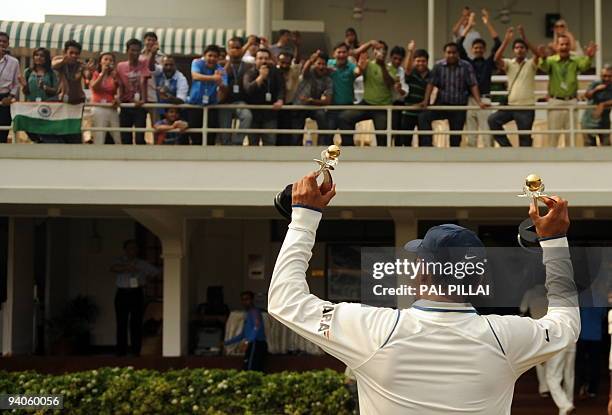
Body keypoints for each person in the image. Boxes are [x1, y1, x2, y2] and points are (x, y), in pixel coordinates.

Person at [269, 172, 578, 414]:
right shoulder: (506, 337)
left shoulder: (373, 330)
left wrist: (304, 217)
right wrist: (554, 241)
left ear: (423, 272)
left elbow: (285, 301)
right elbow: (566, 323)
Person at [418, 42, 486, 147]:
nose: (451, 55)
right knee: (424, 116)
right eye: (449, 52)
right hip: (442, 104)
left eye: (454, 52)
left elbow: (473, 84)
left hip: (458, 106)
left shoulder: (466, 66)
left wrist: (479, 102)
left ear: (458, 53)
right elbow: (430, 84)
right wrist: (426, 100)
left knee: (455, 137)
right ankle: (427, 146)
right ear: (444, 53)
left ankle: (453, 157)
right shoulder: (438, 66)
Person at [539, 35, 597, 147]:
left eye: (567, 44)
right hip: (555, 102)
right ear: (556, 46)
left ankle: (572, 163)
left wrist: (590, 57)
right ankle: (551, 162)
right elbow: (544, 67)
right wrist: (543, 58)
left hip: (571, 101)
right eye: (562, 44)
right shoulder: (551, 61)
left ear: (570, 46)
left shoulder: (575, 61)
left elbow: (584, 66)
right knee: (553, 136)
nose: (564, 47)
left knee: (572, 136)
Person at [489, 26, 541, 147]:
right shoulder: (509, 63)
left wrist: (525, 38)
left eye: (522, 48)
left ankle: (526, 163)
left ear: (526, 50)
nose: (519, 50)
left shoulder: (531, 64)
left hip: (526, 107)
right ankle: (507, 148)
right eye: (517, 48)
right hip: (510, 106)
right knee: (492, 120)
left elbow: (538, 55)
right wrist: (506, 40)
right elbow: (496, 58)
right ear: (513, 50)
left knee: (525, 138)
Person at [338, 40, 396, 146]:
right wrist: (369, 44)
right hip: (367, 103)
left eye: (383, 50)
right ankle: (349, 148)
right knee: (344, 117)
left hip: (382, 107)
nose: (380, 52)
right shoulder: (368, 64)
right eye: (378, 49)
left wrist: (382, 66)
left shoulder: (390, 68)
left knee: (383, 136)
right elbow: (355, 54)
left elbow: (390, 83)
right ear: (374, 51)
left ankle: (382, 159)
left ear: (386, 53)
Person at [110, 239, 160, 356]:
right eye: (129, 248)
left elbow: (156, 272)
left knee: (136, 323)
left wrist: (147, 280)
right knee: (121, 322)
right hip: (122, 293)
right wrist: (127, 267)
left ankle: (135, 351)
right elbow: (113, 268)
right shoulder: (120, 261)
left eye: (134, 248)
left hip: (136, 293)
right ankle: (121, 352)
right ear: (125, 250)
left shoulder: (142, 263)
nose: (132, 250)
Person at [458, 9, 500, 147]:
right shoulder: (467, 63)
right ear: (471, 49)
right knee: (471, 136)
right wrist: (469, 26)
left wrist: (487, 23)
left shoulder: (489, 62)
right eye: (475, 48)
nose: (478, 50)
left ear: (484, 49)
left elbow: (498, 43)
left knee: (488, 135)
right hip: (470, 100)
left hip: (485, 99)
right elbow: (459, 45)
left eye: (481, 48)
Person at [17, 47, 59, 143]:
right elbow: (26, 92)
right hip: (31, 105)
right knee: (26, 124)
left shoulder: (51, 73)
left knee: (45, 129)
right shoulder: (28, 72)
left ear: (46, 58)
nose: (39, 57)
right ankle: (37, 141)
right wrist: (24, 85)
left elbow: (56, 91)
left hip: (47, 107)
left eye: (42, 56)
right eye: (36, 55)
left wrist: (44, 87)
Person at [243, 48, 284, 146]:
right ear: (255, 60)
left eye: (266, 58)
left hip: (270, 113)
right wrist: (261, 77)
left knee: (270, 141)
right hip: (254, 113)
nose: (263, 61)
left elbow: (281, 88)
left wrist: (280, 100)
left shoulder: (275, 72)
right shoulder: (249, 72)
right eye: (260, 58)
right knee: (253, 142)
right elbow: (248, 89)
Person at [188, 44, 227, 145]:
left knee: (211, 137)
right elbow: (195, 76)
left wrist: (221, 84)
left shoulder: (221, 70)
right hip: (195, 105)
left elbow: (224, 88)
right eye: (210, 55)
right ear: (204, 56)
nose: (212, 58)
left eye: (215, 56)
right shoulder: (196, 63)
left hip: (211, 106)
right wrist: (214, 78)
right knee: (195, 136)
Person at [291, 50, 333, 146]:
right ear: (314, 64)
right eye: (319, 63)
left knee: (322, 116)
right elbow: (305, 69)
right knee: (296, 132)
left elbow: (328, 100)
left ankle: (322, 147)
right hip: (300, 105)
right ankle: (295, 151)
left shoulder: (328, 79)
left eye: (323, 64)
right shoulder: (309, 72)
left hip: (314, 105)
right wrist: (310, 60)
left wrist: (312, 101)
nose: (321, 67)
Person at [219, 37, 253, 145]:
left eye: (238, 47)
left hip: (240, 102)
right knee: (224, 134)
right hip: (224, 103)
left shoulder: (249, 65)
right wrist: (228, 62)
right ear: (228, 49)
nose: (235, 50)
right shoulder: (221, 64)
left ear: (242, 49)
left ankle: (237, 143)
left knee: (247, 116)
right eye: (232, 47)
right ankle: (226, 148)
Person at [51, 40, 87, 144]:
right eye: (71, 53)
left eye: (76, 53)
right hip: (62, 99)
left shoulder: (80, 64)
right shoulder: (59, 60)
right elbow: (54, 65)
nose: (74, 56)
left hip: (77, 100)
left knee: (75, 128)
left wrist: (88, 70)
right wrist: (64, 61)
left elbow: (87, 75)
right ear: (65, 52)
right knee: (62, 126)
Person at [116, 38, 149, 145]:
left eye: (137, 51)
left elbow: (144, 81)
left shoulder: (143, 63)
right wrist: (118, 98)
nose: (135, 53)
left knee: (140, 137)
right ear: (127, 51)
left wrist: (143, 100)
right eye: (132, 50)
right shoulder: (120, 66)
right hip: (126, 104)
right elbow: (120, 85)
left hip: (139, 105)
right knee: (125, 137)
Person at [224, 290, 267, 371]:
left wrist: (248, 341)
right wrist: (227, 342)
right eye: (243, 300)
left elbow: (256, 325)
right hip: (252, 344)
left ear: (252, 300)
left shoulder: (254, 312)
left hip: (256, 344)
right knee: (248, 367)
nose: (245, 302)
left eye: (247, 299)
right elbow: (243, 334)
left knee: (251, 369)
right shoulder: (248, 314)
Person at [519, 283, 550, 397]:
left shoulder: (530, 293)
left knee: (539, 358)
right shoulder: (551, 292)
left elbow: (522, 309)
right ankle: (550, 384)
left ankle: (544, 387)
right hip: (550, 327)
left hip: (537, 328)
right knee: (552, 356)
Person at [327, 42, 360, 144]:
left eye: (344, 52)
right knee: (327, 137)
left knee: (348, 139)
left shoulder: (351, 66)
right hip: (331, 107)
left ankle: (349, 160)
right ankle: (326, 160)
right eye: (339, 52)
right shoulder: (328, 64)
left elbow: (358, 71)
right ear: (334, 54)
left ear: (347, 54)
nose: (341, 55)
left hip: (347, 108)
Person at [399, 41, 430, 147]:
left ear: (427, 61)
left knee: (424, 141)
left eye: (423, 61)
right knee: (406, 141)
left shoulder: (431, 75)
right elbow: (407, 69)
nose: (420, 63)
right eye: (418, 61)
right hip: (409, 112)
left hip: (423, 113)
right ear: (414, 61)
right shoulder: (411, 73)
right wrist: (410, 51)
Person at [90, 52, 120, 145]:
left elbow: (118, 89)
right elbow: (94, 87)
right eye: (105, 59)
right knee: (99, 135)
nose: (108, 62)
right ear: (100, 62)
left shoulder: (114, 76)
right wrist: (103, 73)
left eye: (110, 60)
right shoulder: (95, 74)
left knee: (117, 136)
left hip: (111, 108)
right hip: (99, 107)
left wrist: (117, 98)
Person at [576, 306, 606, 399]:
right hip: (596, 335)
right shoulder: (601, 298)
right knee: (595, 363)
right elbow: (603, 316)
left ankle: (582, 385)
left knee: (581, 362)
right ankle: (593, 389)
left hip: (583, 335)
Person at [581, 64, 612, 146]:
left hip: (604, 123)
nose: (607, 78)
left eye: (609, 76)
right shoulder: (595, 84)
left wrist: (603, 104)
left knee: (606, 148)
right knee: (590, 150)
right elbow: (587, 95)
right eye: (604, 76)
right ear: (601, 76)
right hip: (589, 122)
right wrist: (596, 89)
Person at [276, 51, 302, 145]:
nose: (284, 65)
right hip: (276, 107)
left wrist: (297, 47)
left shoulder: (293, 72)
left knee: (288, 134)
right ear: (278, 61)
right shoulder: (274, 72)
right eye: (282, 62)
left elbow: (297, 62)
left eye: (287, 63)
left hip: (289, 106)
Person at [0, 31, 19, 144]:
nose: (1, 43)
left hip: (5, 98)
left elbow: (16, 84)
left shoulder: (14, 62)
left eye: (4, 41)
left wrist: (10, 97)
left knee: (3, 131)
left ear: (8, 44)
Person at [141, 31, 163, 123]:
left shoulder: (161, 58)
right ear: (144, 41)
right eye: (148, 40)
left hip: (155, 96)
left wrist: (153, 54)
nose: (150, 42)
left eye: (153, 40)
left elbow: (154, 70)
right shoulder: (138, 56)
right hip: (141, 96)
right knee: (140, 126)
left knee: (156, 125)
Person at [389, 46, 408, 146]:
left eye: (400, 59)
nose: (397, 61)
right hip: (386, 103)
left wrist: (400, 89)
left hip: (400, 104)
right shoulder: (385, 68)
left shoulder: (403, 71)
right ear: (390, 57)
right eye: (395, 58)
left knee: (399, 131)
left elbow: (405, 92)